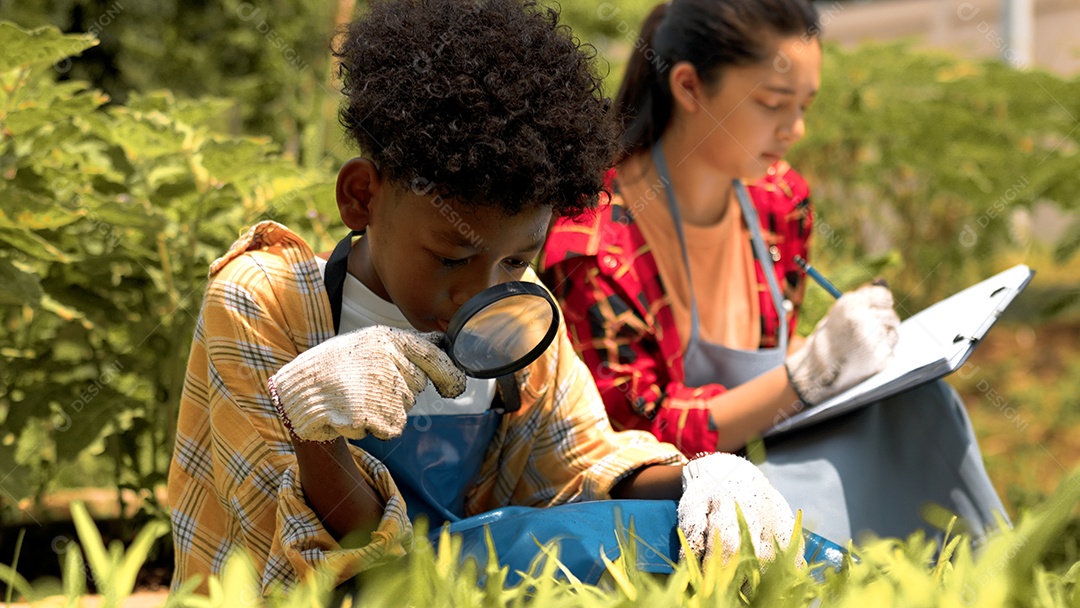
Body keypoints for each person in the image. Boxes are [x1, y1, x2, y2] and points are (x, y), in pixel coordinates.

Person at [167, 0, 805, 595]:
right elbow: (307, 572)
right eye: (450, 258)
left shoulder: (518, 318)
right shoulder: (263, 303)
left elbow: (580, 462)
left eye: (516, 259)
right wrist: (316, 431)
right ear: (362, 195)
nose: (481, 293)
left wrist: (701, 479)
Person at [540, 0, 1008, 547]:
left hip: (778, 434)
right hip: (692, 490)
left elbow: (771, 350)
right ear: (690, 88)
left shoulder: (779, 199)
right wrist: (807, 375)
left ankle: (991, 570)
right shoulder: (595, 246)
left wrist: (845, 352)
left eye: (805, 105)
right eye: (773, 103)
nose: (796, 129)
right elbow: (632, 444)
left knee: (922, 404)